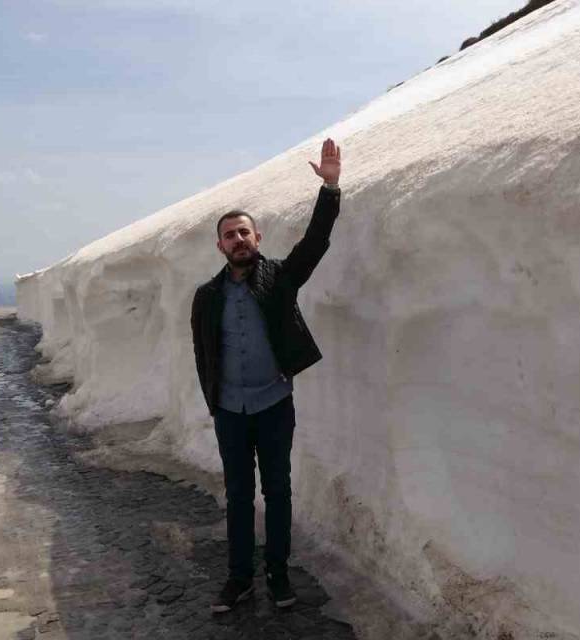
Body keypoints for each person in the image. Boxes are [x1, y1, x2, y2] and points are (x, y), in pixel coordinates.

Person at [190, 138, 342, 612]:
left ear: (258, 239)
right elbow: (202, 353)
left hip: (274, 404)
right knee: (238, 496)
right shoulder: (207, 296)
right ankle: (239, 579)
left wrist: (330, 189)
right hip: (230, 412)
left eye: (245, 233)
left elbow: (314, 244)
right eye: (230, 235)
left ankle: (277, 575)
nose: (238, 240)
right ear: (220, 245)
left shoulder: (278, 277)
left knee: (277, 491)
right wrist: (215, 402)